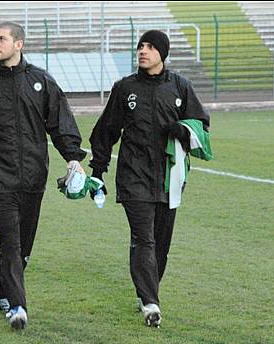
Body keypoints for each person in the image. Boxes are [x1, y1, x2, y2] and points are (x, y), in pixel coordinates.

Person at [0, 21, 86, 330]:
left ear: (19, 44)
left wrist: (74, 158)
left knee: (23, 245)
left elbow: (61, 124)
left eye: (1, 38)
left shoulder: (41, 82)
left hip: (33, 178)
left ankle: (4, 292)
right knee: (10, 239)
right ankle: (18, 307)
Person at [89, 30, 209, 328]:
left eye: (150, 47)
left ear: (163, 53)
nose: (143, 51)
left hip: (169, 179)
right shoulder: (124, 88)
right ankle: (151, 303)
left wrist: (182, 131)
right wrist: (97, 171)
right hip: (133, 177)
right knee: (144, 238)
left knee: (161, 244)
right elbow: (106, 131)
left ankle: (146, 292)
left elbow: (202, 126)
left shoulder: (181, 87)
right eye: (141, 46)